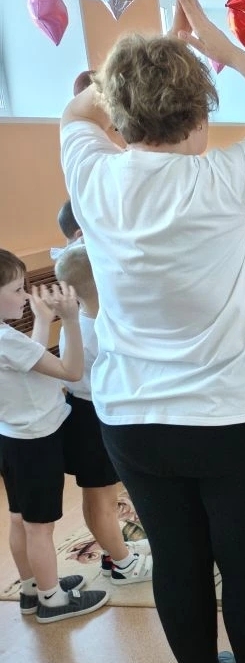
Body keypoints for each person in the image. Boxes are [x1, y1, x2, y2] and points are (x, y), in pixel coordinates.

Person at [60, 0, 245, 663]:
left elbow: (77, 111)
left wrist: (137, 68)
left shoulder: (93, 175)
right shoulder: (226, 178)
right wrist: (221, 47)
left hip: (133, 418)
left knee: (176, 558)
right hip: (236, 416)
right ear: (202, 115)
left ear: (121, 118)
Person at [1, 250, 108, 623]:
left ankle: (32, 588)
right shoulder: (7, 340)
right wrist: (71, 320)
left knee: (20, 519)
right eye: (17, 289)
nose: (25, 296)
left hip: (13, 439)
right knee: (40, 527)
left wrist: (44, 320)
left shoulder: (7, 341)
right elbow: (71, 371)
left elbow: (30, 360)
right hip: (36, 443)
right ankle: (53, 600)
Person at [54, 243, 153, 583]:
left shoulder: (82, 321)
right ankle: (122, 563)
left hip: (91, 414)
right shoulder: (94, 330)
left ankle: (115, 550)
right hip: (92, 418)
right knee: (100, 498)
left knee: (102, 494)